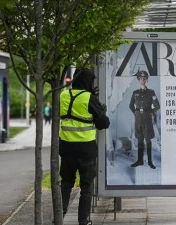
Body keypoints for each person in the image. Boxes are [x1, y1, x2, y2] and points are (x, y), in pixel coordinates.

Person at [59, 68, 110, 225]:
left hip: (66, 148)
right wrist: (101, 111)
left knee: (66, 182)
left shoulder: (63, 95)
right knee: (86, 186)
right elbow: (103, 123)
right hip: (85, 149)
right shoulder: (89, 98)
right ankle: (83, 221)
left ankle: (60, 214)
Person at [129, 70, 160, 169]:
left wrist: (151, 112)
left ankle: (150, 161)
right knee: (139, 140)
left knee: (148, 140)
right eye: (141, 78)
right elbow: (131, 106)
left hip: (147, 118)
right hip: (138, 119)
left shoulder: (151, 92)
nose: (142, 80)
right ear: (139, 80)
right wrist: (136, 113)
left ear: (147, 80)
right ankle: (139, 161)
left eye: (144, 78)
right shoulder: (135, 93)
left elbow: (157, 106)